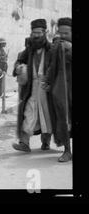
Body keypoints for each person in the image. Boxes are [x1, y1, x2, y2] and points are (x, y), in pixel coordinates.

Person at [12, 19, 52, 152]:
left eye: (39, 32)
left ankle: (46, 142)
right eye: (34, 33)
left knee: (46, 116)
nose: (36, 35)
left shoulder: (51, 49)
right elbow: (19, 61)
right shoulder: (29, 50)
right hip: (32, 88)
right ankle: (24, 143)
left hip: (47, 88)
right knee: (28, 114)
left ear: (44, 32)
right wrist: (17, 67)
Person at [43, 17, 72, 162]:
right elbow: (51, 66)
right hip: (60, 89)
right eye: (60, 33)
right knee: (62, 120)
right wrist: (48, 82)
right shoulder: (56, 47)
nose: (62, 36)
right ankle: (67, 151)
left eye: (66, 33)